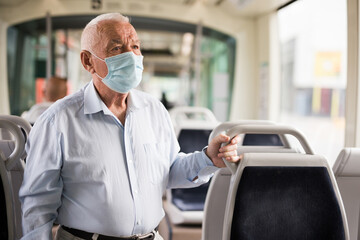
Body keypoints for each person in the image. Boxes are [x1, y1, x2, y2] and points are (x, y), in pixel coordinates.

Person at [19, 13, 241, 240]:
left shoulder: (154, 110)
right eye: (116, 49)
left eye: (135, 46)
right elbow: (37, 204)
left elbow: (170, 170)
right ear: (88, 61)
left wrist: (208, 159)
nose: (131, 56)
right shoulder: (58, 122)